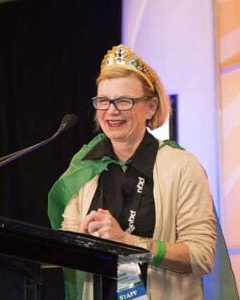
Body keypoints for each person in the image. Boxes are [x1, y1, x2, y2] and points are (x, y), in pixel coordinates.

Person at [48, 44, 217, 300]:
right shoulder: (85, 167)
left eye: (124, 101)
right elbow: (68, 248)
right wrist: (79, 240)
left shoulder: (182, 166)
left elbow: (201, 256)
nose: (111, 110)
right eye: (103, 101)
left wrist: (129, 242)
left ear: (150, 107)